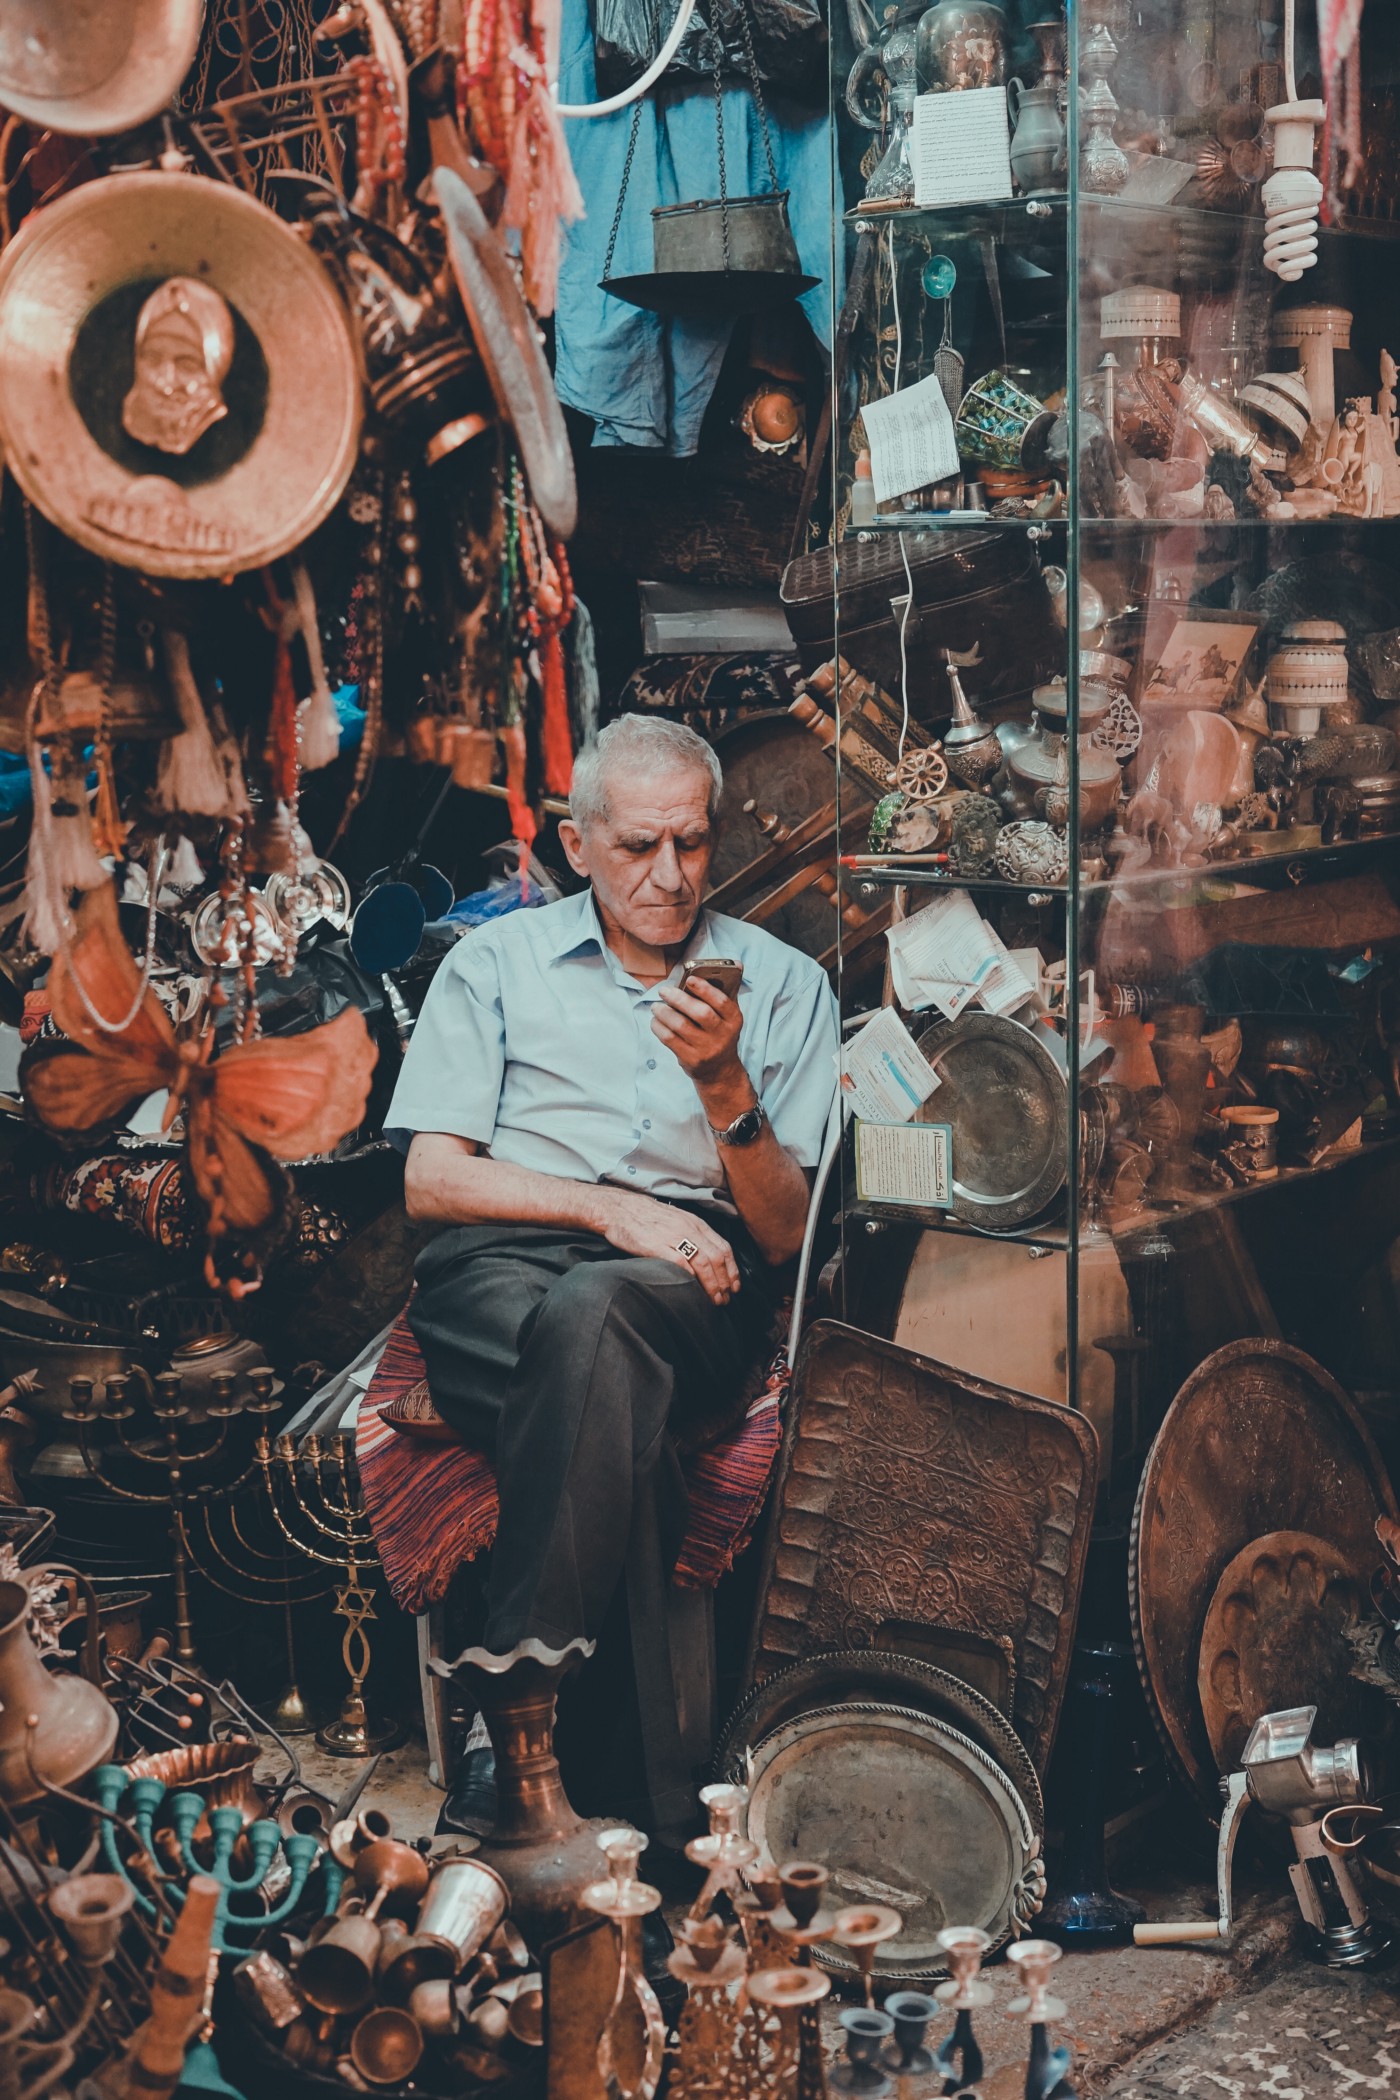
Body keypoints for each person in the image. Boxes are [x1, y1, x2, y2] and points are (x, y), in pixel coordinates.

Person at [384, 714, 839, 1835]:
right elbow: (434, 1181)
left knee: (593, 1323)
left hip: (693, 1275)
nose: (671, 877)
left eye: (691, 843)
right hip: (508, 1250)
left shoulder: (782, 986)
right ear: (576, 845)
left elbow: (782, 1238)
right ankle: (651, 1795)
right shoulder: (492, 966)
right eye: (638, 848)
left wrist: (724, 1087)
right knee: (585, 1355)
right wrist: (603, 1205)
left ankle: (514, 1731)